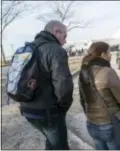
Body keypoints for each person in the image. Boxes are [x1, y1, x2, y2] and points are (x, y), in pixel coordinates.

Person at [19, 20, 74, 150]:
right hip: (48, 113)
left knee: (52, 141)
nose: (65, 41)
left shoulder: (29, 49)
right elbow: (63, 85)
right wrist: (63, 107)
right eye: (64, 36)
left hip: (27, 110)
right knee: (60, 147)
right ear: (56, 32)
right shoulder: (55, 50)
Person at [79, 42, 120, 150]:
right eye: (109, 52)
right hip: (109, 125)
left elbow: (82, 100)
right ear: (103, 54)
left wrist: (92, 116)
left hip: (92, 125)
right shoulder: (107, 72)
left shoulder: (83, 71)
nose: (111, 55)